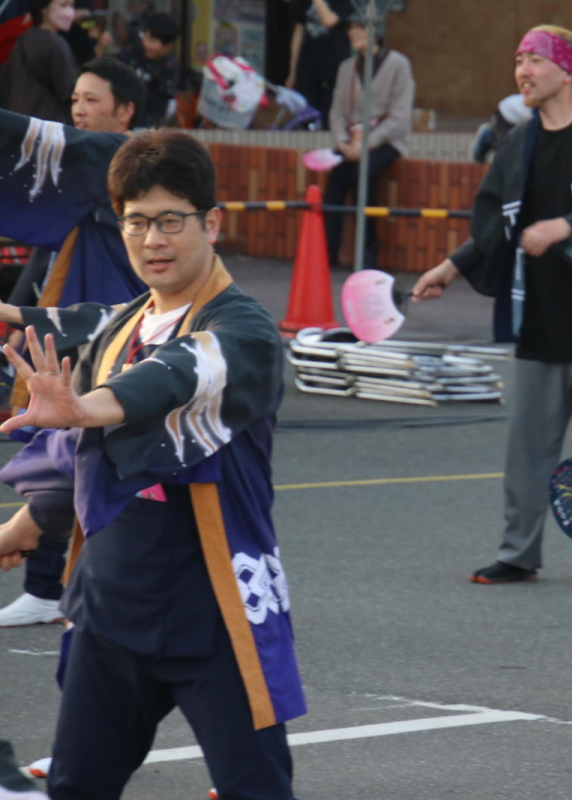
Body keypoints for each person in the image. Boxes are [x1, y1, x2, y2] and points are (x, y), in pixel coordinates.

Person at [0, 130, 304, 799]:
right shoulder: (120, 325)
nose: (153, 240)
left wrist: (87, 407)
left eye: (172, 221)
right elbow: (69, 458)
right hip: (112, 610)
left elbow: (175, 375)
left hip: (215, 616)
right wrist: (21, 529)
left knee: (256, 791)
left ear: (212, 223)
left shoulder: (243, 332)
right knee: (78, 788)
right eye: (136, 222)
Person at [411, 25, 572, 585]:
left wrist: (567, 226)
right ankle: (517, 553)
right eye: (518, 60)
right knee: (526, 451)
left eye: (534, 60)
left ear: (567, 70)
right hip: (538, 316)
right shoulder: (517, 142)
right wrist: (449, 269)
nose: (522, 71)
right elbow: (496, 227)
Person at [0, 57, 143, 630]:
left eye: (93, 99)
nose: (80, 109)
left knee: (97, 458)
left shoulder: (121, 163)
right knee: (61, 452)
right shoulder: (89, 168)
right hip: (78, 327)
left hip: (124, 334)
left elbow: (26, 141)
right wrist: (19, 310)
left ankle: (73, 585)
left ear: (126, 110)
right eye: (76, 100)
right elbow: (45, 253)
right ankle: (47, 584)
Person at [323, 14, 413, 269]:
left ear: (376, 32)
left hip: (386, 141)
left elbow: (400, 117)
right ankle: (328, 252)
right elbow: (337, 113)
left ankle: (368, 252)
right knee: (336, 180)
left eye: (360, 28)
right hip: (351, 140)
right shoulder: (346, 67)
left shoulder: (399, 65)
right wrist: (342, 142)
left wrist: (366, 144)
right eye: (351, 28)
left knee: (363, 174)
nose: (353, 33)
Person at [0, 0, 77, 124]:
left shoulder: (22, 40)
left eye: (72, 6)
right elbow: (68, 90)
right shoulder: (55, 44)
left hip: (20, 124)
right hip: (49, 125)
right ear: (44, 9)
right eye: (63, 5)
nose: (69, 12)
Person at [287, 0, 354, 129]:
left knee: (332, 119)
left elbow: (329, 20)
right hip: (308, 67)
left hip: (335, 67)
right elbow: (299, 32)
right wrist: (292, 72)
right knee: (307, 118)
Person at [116, 11, 178, 128]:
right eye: (145, 37)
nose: (146, 44)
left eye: (153, 41)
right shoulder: (130, 54)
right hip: (121, 119)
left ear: (168, 45)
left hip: (148, 124)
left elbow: (164, 99)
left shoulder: (169, 67)